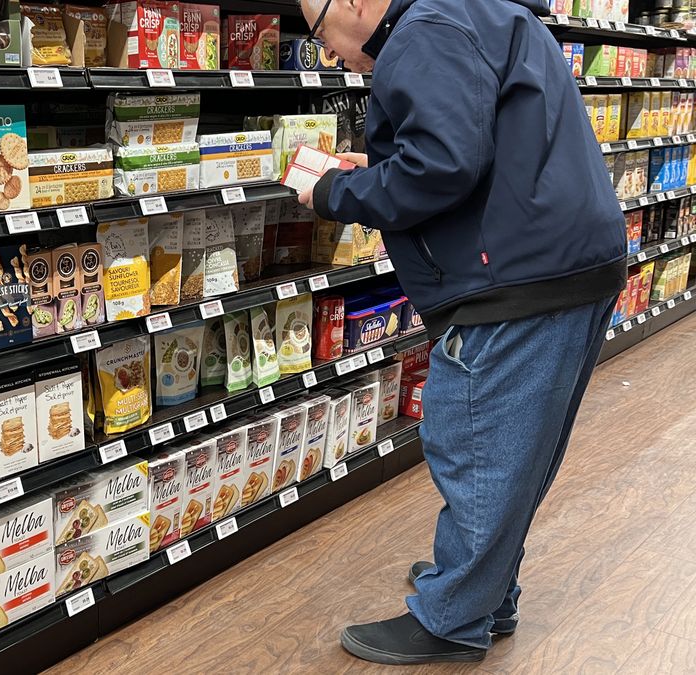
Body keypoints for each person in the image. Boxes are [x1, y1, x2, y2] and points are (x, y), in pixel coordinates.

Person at [295, 0, 627, 665]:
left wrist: (337, 194)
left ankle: (451, 619)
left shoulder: (425, 31)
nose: (326, 51)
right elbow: (468, 141)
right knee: (515, 455)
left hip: (514, 275)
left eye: (319, 29)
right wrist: (381, 169)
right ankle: (483, 590)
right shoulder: (473, 13)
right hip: (564, 258)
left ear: (354, 2)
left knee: (474, 446)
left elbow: (440, 168)